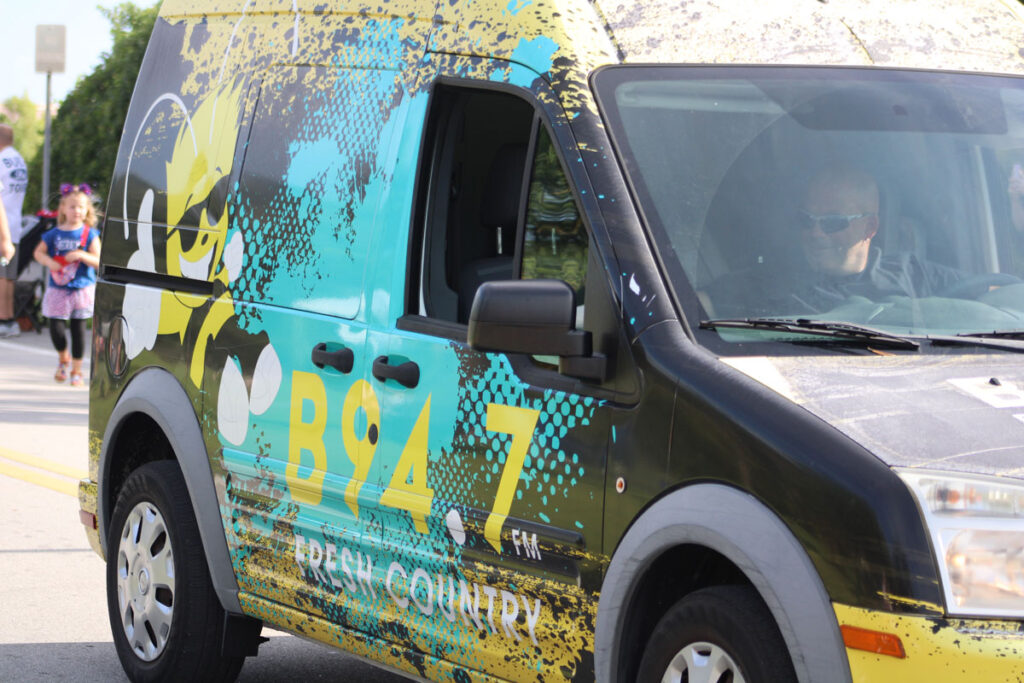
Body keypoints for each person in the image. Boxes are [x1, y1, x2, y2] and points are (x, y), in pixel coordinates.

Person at [704, 166, 963, 317]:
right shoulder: (770, 282)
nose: (816, 233)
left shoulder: (912, 274)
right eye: (806, 220)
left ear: (870, 227)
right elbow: (697, 307)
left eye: (833, 222)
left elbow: (986, 295)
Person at [33, 184, 101, 387]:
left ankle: (77, 370)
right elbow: (38, 253)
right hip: (58, 289)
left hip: (81, 289)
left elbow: (98, 261)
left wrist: (81, 255)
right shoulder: (53, 234)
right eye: (72, 206)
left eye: (81, 207)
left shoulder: (90, 234)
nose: (77, 211)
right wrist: (50, 262)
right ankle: (63, 357)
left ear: (87, 210)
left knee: (78, 331)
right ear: (62, 208)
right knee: (56, 328)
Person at [0, 124, 27, 337]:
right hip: (14, 224)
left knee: (1, 276)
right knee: (8, 276)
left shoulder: (1, 160)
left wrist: (3, 237)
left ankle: (3, 319)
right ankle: (8, 319)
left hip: (2, 229)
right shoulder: (18, 160)